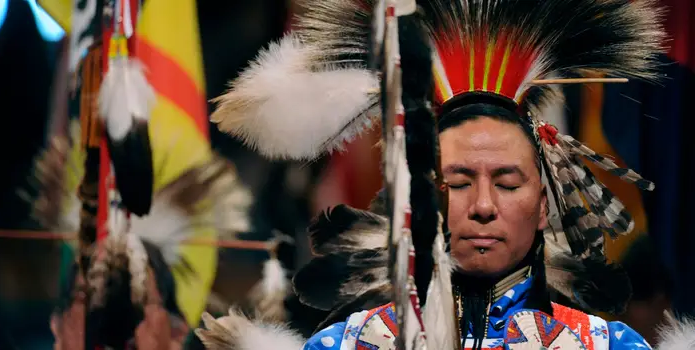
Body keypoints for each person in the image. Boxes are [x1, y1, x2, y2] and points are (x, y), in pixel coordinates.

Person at [196, 0, 673, 349]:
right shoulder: (347, 345)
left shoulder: (608, 346)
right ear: (417, 199)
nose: (484, 206)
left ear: (545, 202)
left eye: (507, 183)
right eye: (458, 183)